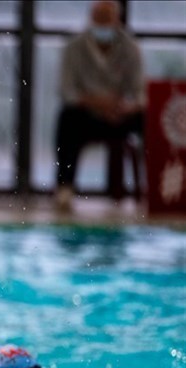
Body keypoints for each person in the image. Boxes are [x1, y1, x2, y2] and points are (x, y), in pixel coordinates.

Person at [54, 0, 145, 211]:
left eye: (108, 19)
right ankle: (65, 187)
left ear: (117, 21)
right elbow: (67, 92)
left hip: (120, 115)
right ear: (91, 19)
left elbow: (140, 94)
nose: (103, 24)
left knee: (148, 119)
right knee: (67, 118)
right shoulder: (74, 47)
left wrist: (124, 108)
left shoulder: (131, 48)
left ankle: (155, 184)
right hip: (87, 116)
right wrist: (98, 103)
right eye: (99, 18)